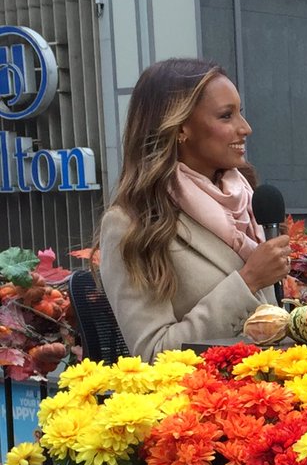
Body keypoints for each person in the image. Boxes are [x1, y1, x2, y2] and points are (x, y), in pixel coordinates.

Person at [99, 58, 292, 361]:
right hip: (198, 402)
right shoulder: (131, 224)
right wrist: (248, 281)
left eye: (240, 113)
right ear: (180, 129)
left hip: (267, 391)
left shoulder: (247, 201)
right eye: (226, 116)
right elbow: (153, 353)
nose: (246, 128)